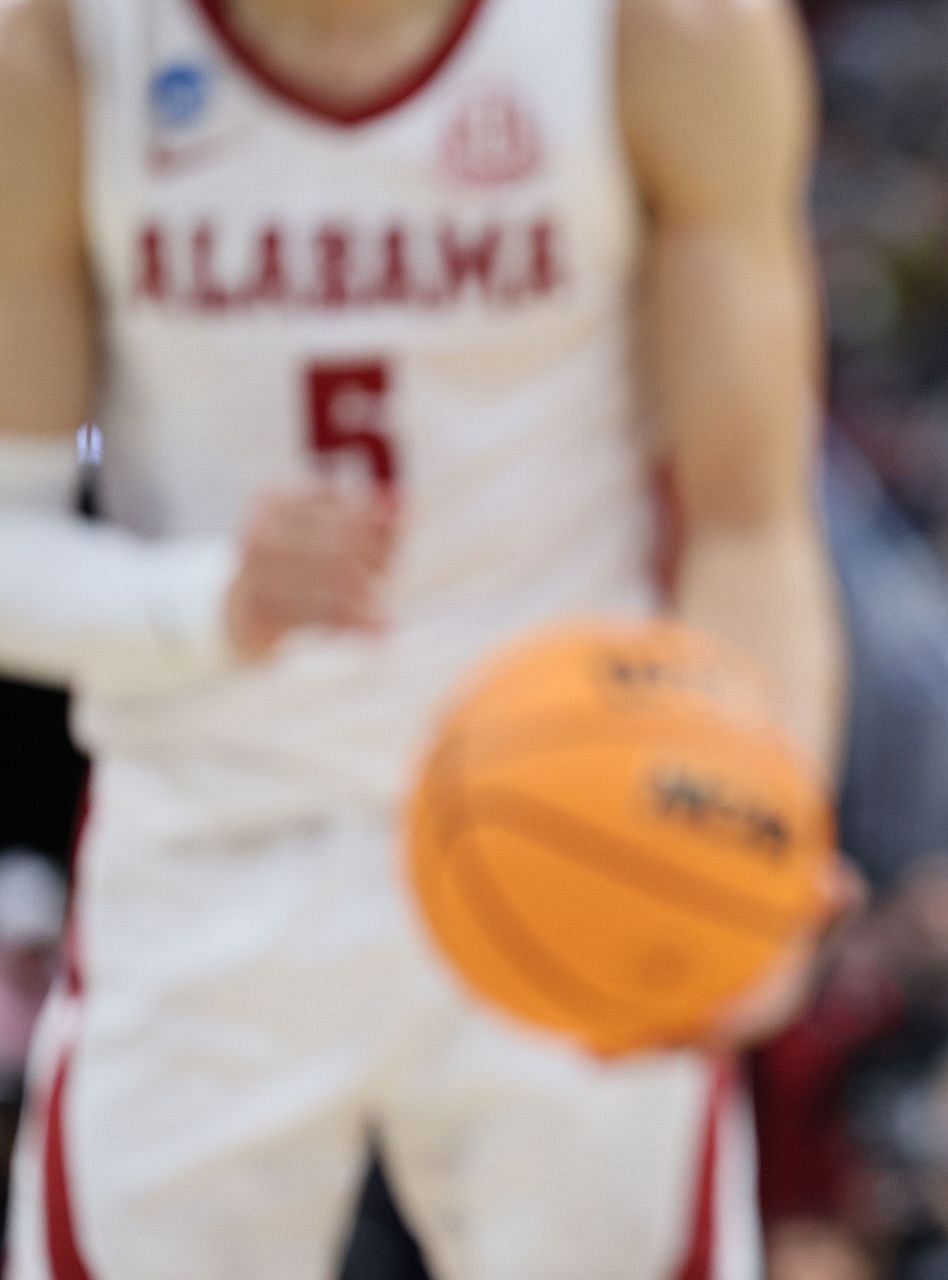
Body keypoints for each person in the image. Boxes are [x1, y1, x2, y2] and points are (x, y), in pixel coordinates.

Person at [0, 0, 843, 1274]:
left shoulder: (677, 30)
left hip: (586, 822)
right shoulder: (55, 44)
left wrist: (760, 813)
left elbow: (749, 521)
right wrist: (208, 601)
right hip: (217, 836)